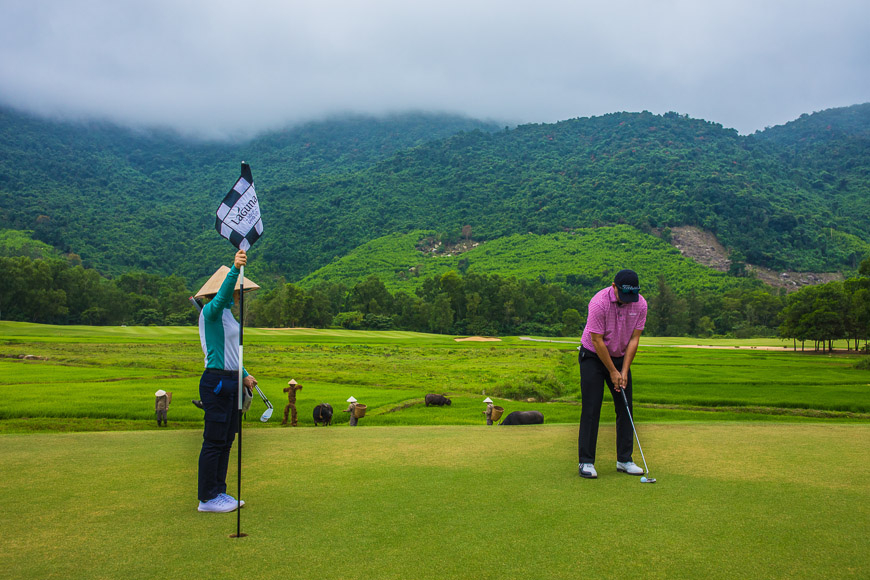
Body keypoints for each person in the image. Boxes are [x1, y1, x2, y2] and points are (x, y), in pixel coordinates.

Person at [193, 249, 260, 512]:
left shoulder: (227, 316)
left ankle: (219, 492)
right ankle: (207, 498)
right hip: (216, 382)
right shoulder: (210, 312)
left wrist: (244, 375)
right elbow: (221, 297)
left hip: (232, 380)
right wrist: (234, 268)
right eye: (234, 290)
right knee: (214, 440)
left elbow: (233, 353)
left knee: (227, 440)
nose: (236, 294)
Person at [577, 269, 648, 479]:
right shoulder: (598, 303)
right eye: (623, 295)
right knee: (592, 408)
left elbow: (635, 339)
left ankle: (624, 460)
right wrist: (612, 371)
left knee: (625, 408)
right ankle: (586, 462)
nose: (627, 302)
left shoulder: (640, 303)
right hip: (593, 356)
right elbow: (597, 341)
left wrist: (623, 371)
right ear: (614, 286)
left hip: (620, 356)